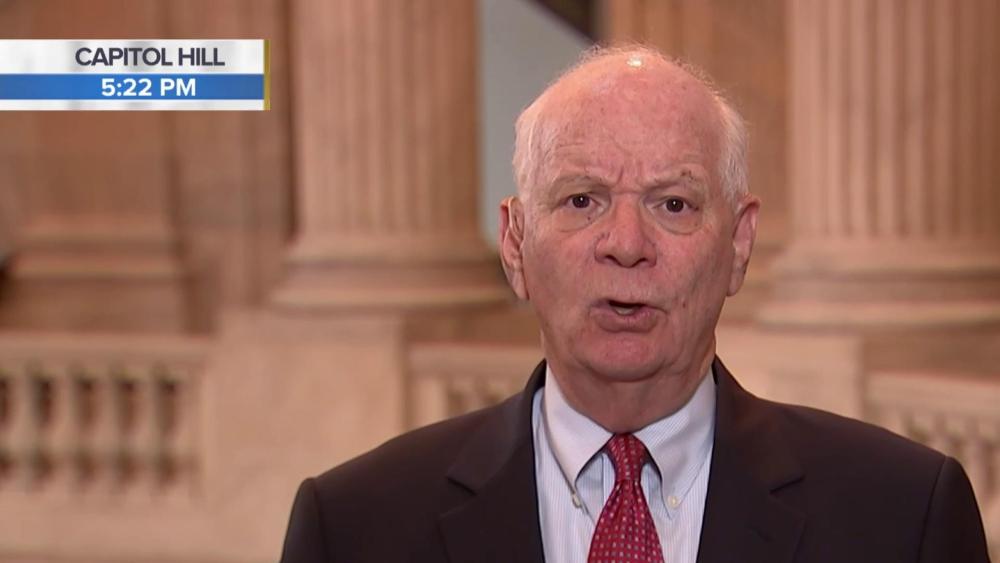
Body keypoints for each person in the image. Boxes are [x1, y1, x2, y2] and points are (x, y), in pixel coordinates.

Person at [279, 46, 991, 563]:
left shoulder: (904, 517)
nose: (626, 244)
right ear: (516, 242)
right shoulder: (353, 527)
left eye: (673, 203)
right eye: (581, 200)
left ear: (739, 244)